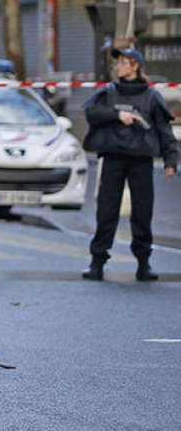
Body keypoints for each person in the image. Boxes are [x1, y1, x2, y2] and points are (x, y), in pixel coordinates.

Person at [81, 48, 178, 281]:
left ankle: (144, 264)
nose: (119, 66)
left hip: (141, 160)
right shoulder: (108, 92)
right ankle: (97, 263)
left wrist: (171, 159)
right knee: (107, 211)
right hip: (113, 158)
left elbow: (164, 129)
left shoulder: (151, 96)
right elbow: (91, 113)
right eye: (119, 62)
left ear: (135, 66)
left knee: (142, 213)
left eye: (124, 62)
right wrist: (117, 116)